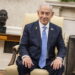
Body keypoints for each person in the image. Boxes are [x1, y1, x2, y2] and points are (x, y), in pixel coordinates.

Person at [16, 3, 66, 75]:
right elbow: (23, 45)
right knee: (22, 65)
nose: (44, 16)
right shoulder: (28, 27)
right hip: (31, 59)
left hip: (49, 61)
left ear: (52, 14)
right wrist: (26, 56)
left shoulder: (57, 30)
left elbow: (62, 47)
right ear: (38, 13)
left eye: (47, 13)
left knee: (60, 67)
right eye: (42, 13)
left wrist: (59, 58)